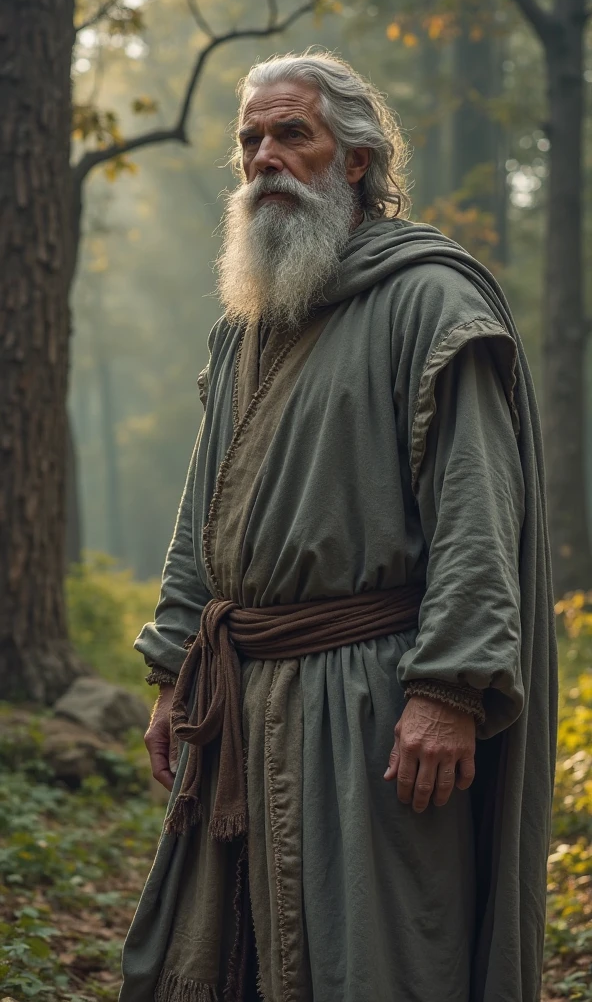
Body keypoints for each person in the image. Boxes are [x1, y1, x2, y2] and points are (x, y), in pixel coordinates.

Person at [119, 50, 557, 1002]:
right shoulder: (246, 321)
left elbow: (478, 512)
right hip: (241, 701)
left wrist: (449, 691)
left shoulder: (431, 301)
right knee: (218, 964)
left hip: (370, 708)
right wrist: (169, 674)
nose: (265, 158)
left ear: (355, 160)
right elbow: (208, 514)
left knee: (377, 959)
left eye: (291, 134)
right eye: (250, 141)